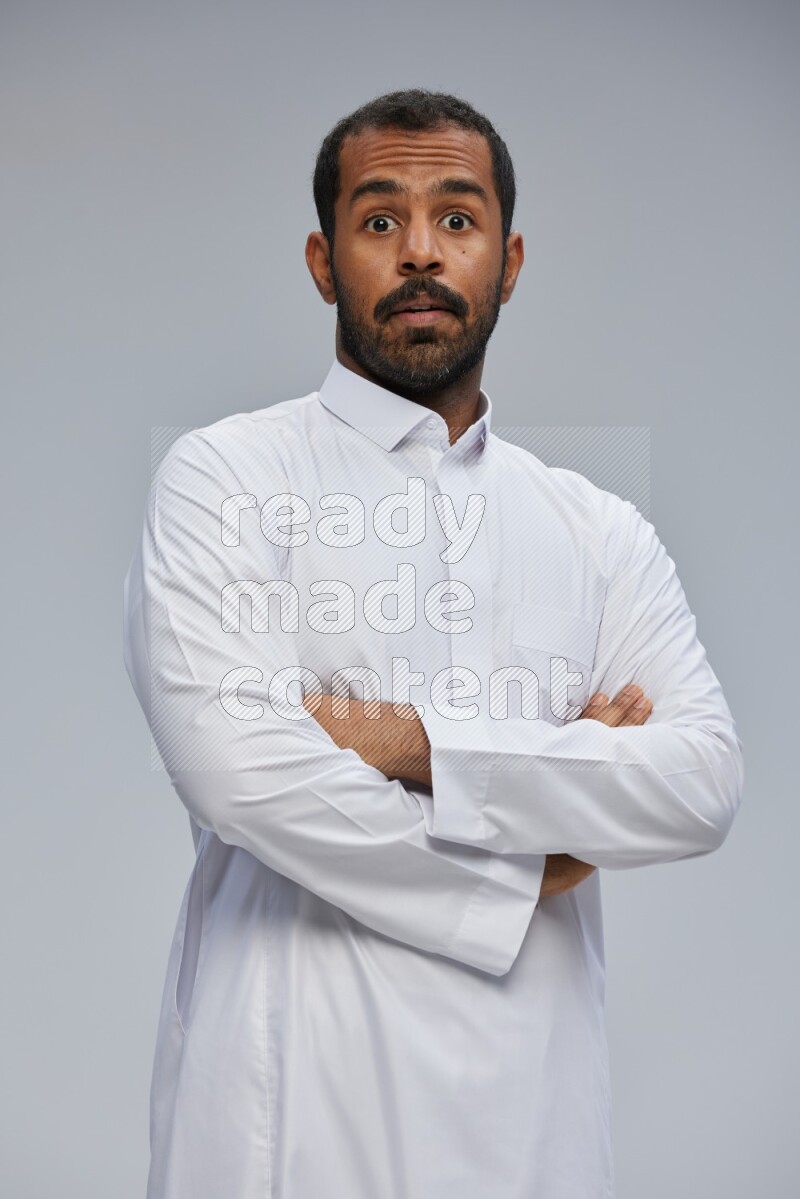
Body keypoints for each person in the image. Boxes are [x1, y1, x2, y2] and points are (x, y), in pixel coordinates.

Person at [122, 88, 744, 1199]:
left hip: (533, 1125)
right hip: (283, 1118)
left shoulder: (596, 530)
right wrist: (538, 842)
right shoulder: (227, 477)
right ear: (322, 261)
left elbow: (696, 782)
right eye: (378, 221)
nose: (418, 251)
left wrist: (404, 744)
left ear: (507, 261)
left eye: (455, 220)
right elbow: (240, 769)